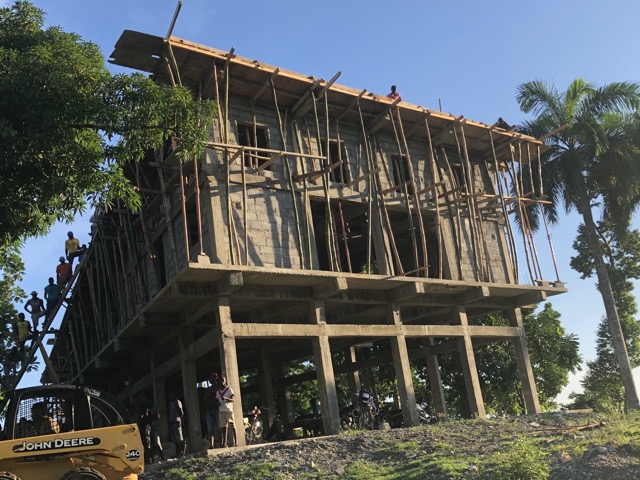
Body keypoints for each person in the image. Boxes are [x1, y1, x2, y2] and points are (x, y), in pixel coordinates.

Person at [216, 376, 236, 447]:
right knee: (223, 428)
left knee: (232, 425)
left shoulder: (229, 389)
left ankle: (235, 442)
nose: (221, 382)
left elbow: (232, 399)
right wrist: (217, 403)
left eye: (222, 380)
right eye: (219, 381)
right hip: (221, 410)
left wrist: (226, 398)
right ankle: (224, 443)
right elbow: (217, 400)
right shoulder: (218, 391)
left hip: (228, 410)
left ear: (225, 381)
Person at [202, 372, 220, 448]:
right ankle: (211, 445)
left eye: (211, 378)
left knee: (219, 427)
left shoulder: (218, 387)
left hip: (217, 409)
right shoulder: (208, 389)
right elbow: (204, 399)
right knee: (210, 429)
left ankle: (221, 444)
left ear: (215, 378)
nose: (209, 380)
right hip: (209, 409)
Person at [167, 392, 186, 457]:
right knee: (175, 439)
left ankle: (182, 452)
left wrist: (179, 420)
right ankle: (178, 453)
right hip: (171, 422)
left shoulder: (177, 402)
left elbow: (181, 412)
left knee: (179, 438)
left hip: (176, 422)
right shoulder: (170, 403)